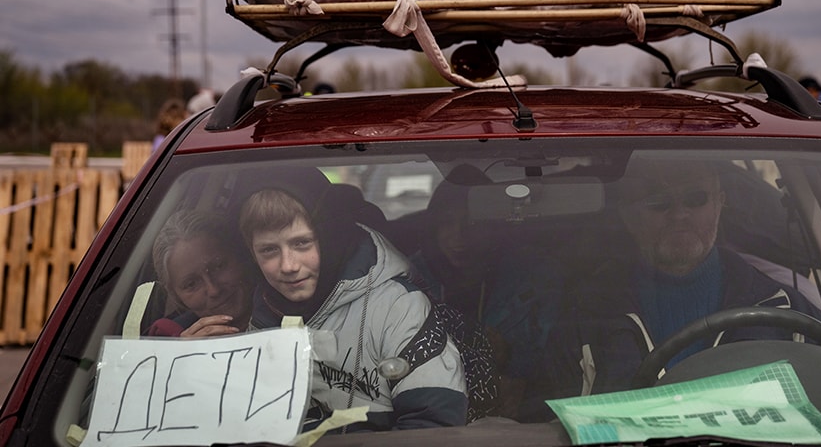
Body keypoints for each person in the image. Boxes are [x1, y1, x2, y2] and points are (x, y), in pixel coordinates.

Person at [527, 157, 821, 410]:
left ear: (719, 204)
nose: (679, 214)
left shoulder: (786, 310)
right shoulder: (585, 316)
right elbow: (548, 422)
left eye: (695, 199)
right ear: (627, 215)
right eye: (658, 202)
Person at [238, 182, 467, 432]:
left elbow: (434, 426)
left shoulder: (398, 307)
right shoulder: (260, 320)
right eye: (269, 250)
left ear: (329, 239)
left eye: (302, 243)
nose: (288, 265)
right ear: (252, 254)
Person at [408, 165, 564, 419]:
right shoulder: (411, 279)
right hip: (429, 417)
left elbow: (560, 356)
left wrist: (510, 355)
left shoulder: (535, 276)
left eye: (471, 222)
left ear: (494, 225)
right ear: (433, 227)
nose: (458, 236)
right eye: (446, 223)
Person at [146, 209, 254, 337]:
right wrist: (183, 354)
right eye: (191, 284)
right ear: (176, 296)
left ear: (241, 255)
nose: (214, 290)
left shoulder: (281, 302)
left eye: (218, 267)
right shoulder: (166, 344)